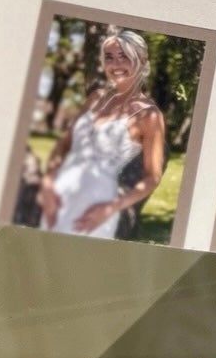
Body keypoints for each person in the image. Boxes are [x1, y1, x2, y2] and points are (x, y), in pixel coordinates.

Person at [38, 28, 166, 238]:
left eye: (124, 56)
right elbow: (64, 144)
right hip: (58, 195)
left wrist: (111, 207)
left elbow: (152, 177)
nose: (116, 64)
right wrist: (48, 183)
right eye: (109, 57)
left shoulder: (149, 116)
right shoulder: (95, 98)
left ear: (142, 61)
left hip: (95, 206)